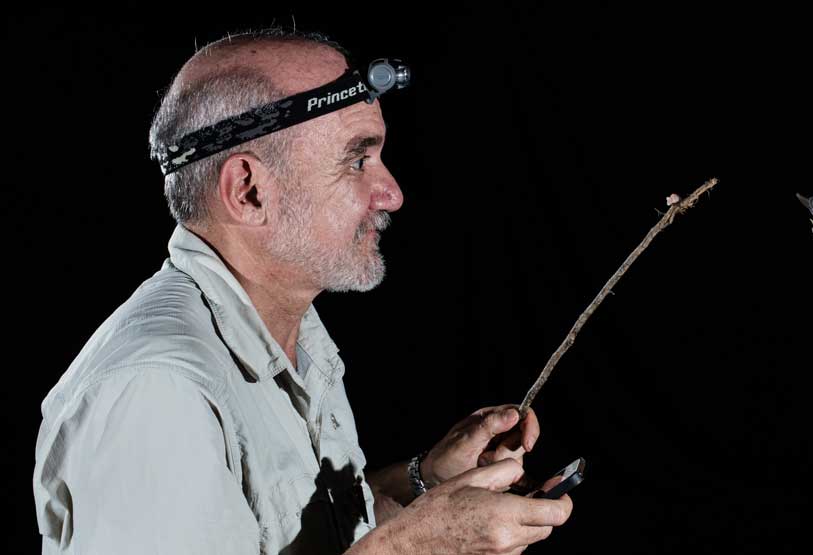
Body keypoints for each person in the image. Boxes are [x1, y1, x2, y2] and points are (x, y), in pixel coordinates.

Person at [32, 28, 573, 555]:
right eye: (357, 161)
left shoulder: (284, 328)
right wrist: (414, 549)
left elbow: (297, 532)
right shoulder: (158, 393)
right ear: (248, 192)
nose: (392, 194)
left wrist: (425, 480)